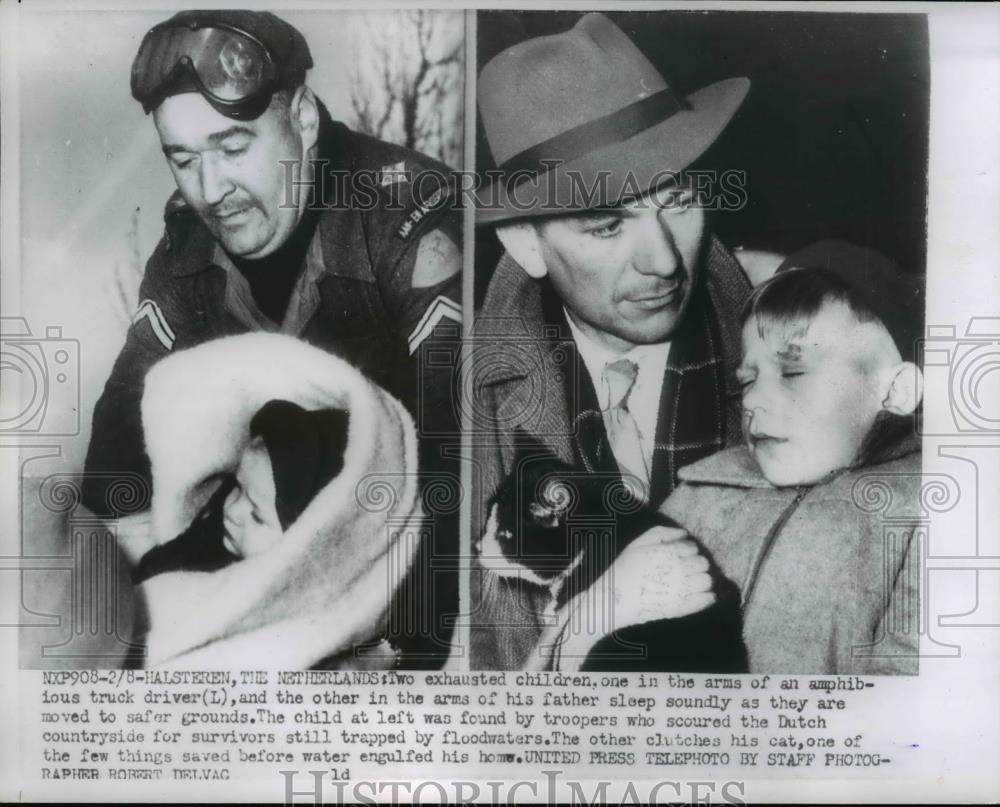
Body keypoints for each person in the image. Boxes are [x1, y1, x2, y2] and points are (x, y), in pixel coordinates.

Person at [82, 10, 462, 663]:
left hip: (403, 595)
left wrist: (399, 645)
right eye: (183, 157)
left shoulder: (409, 215)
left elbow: (467, 459)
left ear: (305, 120)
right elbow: (118, 450)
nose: (210, 190)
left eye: (233, 147)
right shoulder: (186, 251)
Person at [470, 12, 778, 669]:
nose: (663, 262)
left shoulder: (798, 351)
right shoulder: (461, 397)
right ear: (526, 242)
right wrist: (587, 627)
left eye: (680, 200)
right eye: (608, 227)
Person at [637, 240, 922, 674]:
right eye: (749, 379)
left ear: (896, 391)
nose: (755, 400)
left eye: (793, 372)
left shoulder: (924, 512)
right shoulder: (699, 494)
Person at [132, 399, 349, 583]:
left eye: (257, 515)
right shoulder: (218, 535)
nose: (232, 510)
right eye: (237, 487)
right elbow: (171, 557)